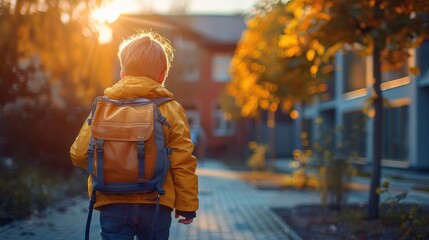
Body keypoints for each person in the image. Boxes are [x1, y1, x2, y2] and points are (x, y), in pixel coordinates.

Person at [70, 31, 199, 240]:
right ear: (162, 75)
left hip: (112, 202)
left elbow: (78, 154)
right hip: (157, 202)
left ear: (122, 73)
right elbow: (182, 162)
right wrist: (187, 205)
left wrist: (112, 164)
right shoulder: (171, 109)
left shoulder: (103, 107)